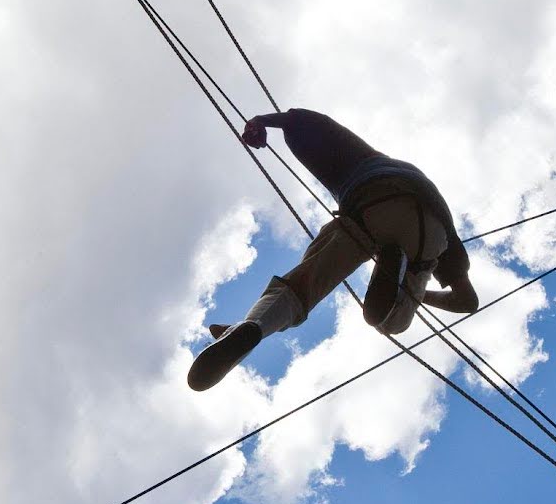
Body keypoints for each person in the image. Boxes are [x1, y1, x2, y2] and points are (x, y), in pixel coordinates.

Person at [189, 109, 479, 391]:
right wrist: (417, 295)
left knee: (302, 285)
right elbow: (467, 302)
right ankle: (397, 271)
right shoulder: (434, 210)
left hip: (371, 200)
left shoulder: (368, 159)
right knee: (395, 322)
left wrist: (260, 121)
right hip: (433, 233)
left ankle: (255, 325)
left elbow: (303, 120)